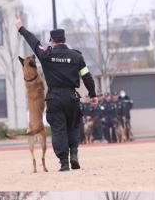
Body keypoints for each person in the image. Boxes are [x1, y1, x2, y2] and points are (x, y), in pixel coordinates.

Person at [16, 17, 98, 171]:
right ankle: (74, 153)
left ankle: (64, 162)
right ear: (65, 39)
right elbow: (87, 76)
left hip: (55, 98)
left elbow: (33, 42)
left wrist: (21, 28)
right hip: (72, 97)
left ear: (52, 40)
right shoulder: (77, 56)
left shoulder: (46, 55)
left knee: (59, 129)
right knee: (73, 126)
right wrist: (93, 95)